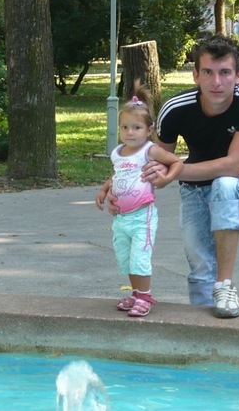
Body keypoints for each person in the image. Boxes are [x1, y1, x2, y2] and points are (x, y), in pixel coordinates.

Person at [144, 34, 239, 318]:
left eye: (225, 73)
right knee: (200, 268)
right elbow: (155, 160)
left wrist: (176, 170)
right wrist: (117, 186)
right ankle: (201, 331)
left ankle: (225, 286)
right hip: (194, 190)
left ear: (238, 75)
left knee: (225, 184)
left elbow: (235, 166)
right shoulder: (176, 108)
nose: (217, 82)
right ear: (196, 75)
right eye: (208, 72)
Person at [95, 86, 183, 317]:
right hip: (121, 218)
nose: (130, 133)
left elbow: (176, 162)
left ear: (149, 130)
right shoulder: (118, 152)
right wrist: (104, 189)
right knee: (125, 259)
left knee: (140, 258)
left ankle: (145, 296)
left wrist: (166, 179)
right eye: (124, 127)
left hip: (142, 216)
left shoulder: (150, 150)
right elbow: (118, 175)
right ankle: (136, 293)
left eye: (136, 128)